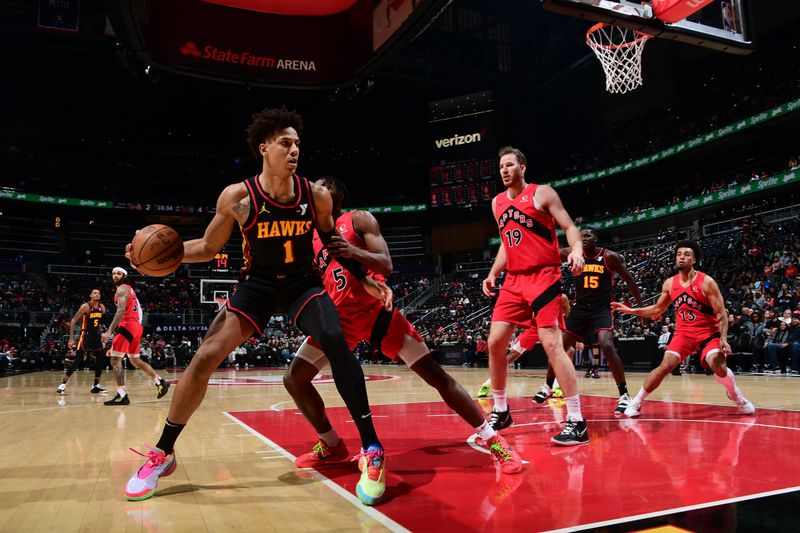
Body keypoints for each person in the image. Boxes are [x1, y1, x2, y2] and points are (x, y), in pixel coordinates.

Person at [123, 107, 392, 504]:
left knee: (335, 339)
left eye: (298, 143)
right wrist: (162, 257)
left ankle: (372, 449)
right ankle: (163, 452)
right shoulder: (239, 197)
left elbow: (333, 242)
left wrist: (365, 277)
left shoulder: (315, 196)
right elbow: (209, 247)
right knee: (205, 356)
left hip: (302, 283)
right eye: (286, 143)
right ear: (264, 148)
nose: (294, 149)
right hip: (259, 285)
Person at [285, 177, 521, 477]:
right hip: (338, 321)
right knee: (294, 378)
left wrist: (351, 251)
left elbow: (385, 263)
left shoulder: (357, 220)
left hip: (377, 315)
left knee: (437, 377)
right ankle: (331, 443)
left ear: (336, 196)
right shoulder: (310, 238)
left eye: (322, 188)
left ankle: (494, 440)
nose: (315, 191)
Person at [482, 146, 588, 446]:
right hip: (513, 280)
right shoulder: (497, 203)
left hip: (543, 276)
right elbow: (507, 242)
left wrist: (577, 250)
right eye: (501, 166)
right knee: (495, 342)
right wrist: (493, 273)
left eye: (510, 165)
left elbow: (569, 227)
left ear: (523, 167)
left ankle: (577, 420)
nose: (504, 170)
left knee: (552, 344)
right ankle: (501, 411)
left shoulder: (542, 194)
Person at [611, 240, 755, 417]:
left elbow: (721, 313)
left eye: (686, 254)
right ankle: (637, 401)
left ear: (694, 259)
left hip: (708, 333)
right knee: (665, 366)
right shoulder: (670, 283)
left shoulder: (706, 282)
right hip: (683, 334)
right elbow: (657, 309)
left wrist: (723, 338)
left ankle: (735, 394)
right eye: (679, 254)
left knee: (717, 365)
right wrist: (631, 310)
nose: (681, 257)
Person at [531, 228, 644, 415]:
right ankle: (548, 386)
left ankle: (624, 395)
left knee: (607, 345)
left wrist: (639, 310)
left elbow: (630, 281)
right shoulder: (572, 253)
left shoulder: (609, 257)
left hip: (601, 310)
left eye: (588, 235)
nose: (584, 239)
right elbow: (549, 255)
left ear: (596, 238)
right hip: (580, 310)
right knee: (557, 347)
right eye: (581, 236)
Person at [476, 294, 571, 399]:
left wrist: (572, 333)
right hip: (534, 328)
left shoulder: (561, 297)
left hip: (552, 328)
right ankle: (487, 384)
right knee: (512, 356)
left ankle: (557, 386)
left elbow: (569, 315)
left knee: (569, 351)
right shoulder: (532, 295)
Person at [102, 267, 171, 406]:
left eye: (119, 274)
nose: (115, 276)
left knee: (115, 360)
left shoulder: (121, 289)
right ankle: (160, 381)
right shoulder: (130, 289)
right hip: (135, 326)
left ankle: (122, 395)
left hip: (127, 324)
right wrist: (136, 326)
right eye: (114, 274)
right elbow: (138, 308)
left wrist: (109, 331)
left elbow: (120, 311)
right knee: (135, 361)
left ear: (124, 276)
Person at [57, 289, 108, 394]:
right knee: (77, 361)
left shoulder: (102, 307)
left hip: (96, 336)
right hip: (86, 335)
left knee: (100, 359)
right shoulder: (86, 306)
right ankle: (62, 384)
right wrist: (71, 338)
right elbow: (74, 320)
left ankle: (96, 385)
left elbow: (102, 322)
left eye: (98, 293)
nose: (97, 294)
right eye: (94, 293)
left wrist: (104, 333)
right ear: (90, 295)